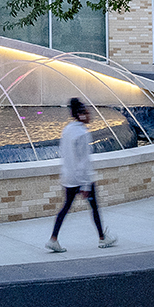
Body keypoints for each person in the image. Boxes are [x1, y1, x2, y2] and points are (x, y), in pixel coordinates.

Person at [46, 98, 115, 253]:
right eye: (87, 113)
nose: (90, 116)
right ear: (81, 114)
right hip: (81, 179)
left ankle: (53, 238)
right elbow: (83, 161)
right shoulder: (82, 133)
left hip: (69, 177)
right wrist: (85, 185)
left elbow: (64, 153)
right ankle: (102, 238)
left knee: (65, 208)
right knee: (94, 208)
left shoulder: (68, 130)